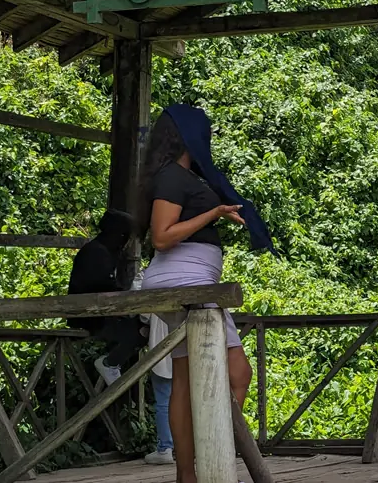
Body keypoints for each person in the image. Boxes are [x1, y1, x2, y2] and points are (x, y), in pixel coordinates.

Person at [138, 105, 267, 483]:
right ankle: (214, 459)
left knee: (184, 375)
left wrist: (217, 211)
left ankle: (187, 474)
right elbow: (162, 237)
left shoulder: (180, 176)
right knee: (238, 371)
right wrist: (212, 214)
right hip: (186, 280)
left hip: (188, 279)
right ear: (189, 136)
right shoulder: (172, 177)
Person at [66, 209, 144, 385]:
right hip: (88, 316)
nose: (126, 242)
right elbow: (100, 287)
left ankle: (113, 363)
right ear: (118, 234)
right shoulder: (97, 253)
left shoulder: (104, 251)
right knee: (138, 330)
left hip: (96, 312)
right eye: (125, 236)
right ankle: (109, 363)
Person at [142, 314, 175, 465]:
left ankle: (165, 448)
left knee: (163, 403)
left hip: (161, 350)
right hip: (186, 348)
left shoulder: (152, 288)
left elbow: (143, 315)